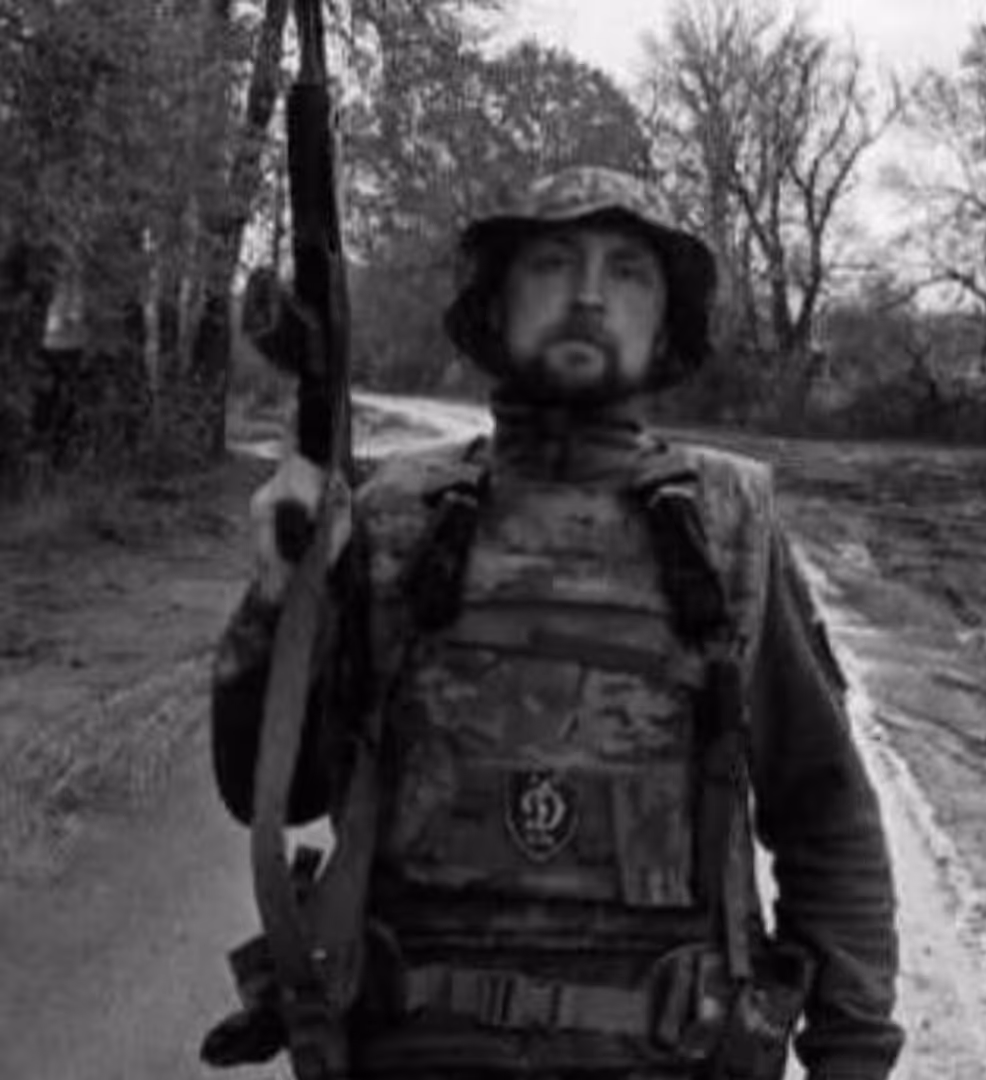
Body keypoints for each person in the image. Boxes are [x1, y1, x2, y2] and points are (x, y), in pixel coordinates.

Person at [208, 166, 903, 1080]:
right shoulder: (386, 518)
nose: (588, 296)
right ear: (496, 304)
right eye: (552, 262)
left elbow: (826, 816)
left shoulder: (732, 526)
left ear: (666, 324)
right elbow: (267, 787)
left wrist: (852, 1054)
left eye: (627, 271)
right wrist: (279, 598)